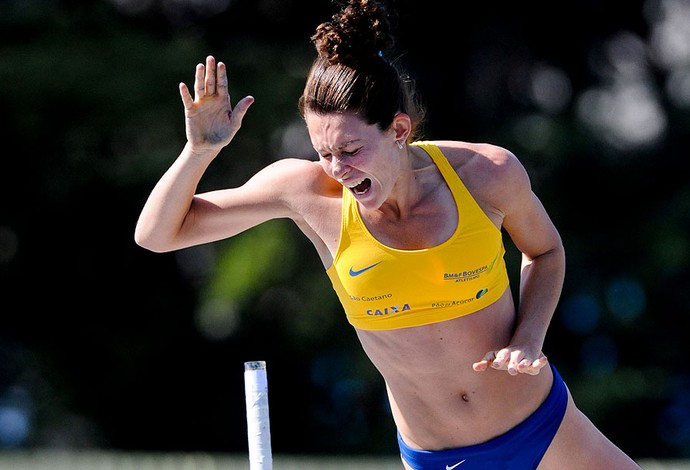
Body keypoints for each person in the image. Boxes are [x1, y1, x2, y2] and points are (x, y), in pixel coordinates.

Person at [134, 1, 642, 468]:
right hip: (439, 458)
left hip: (545, 428)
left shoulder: (486, 173)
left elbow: (546, 251)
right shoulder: (307, 194)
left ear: (398, 130)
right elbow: (157, 235)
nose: (337, 169)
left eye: (351, 150)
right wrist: (198, 152)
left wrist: (529, 340)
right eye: (323, 152)